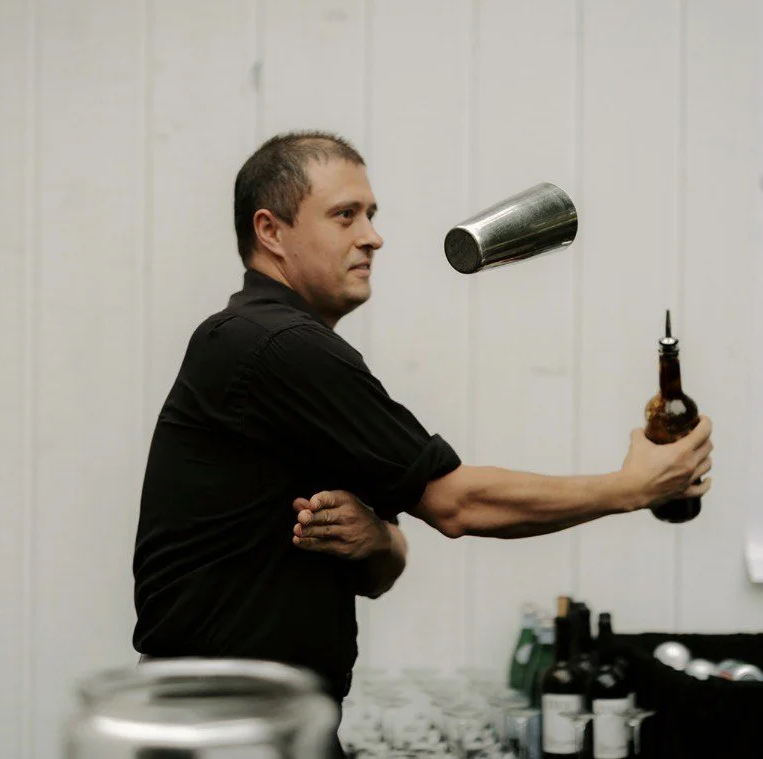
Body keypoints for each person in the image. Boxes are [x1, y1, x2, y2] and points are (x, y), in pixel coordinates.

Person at [131, 129, 712, 723]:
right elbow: (458, 505)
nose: (373, 237)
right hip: (226, 729)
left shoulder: (285, 354)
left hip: (273, 722)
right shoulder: (277, 346)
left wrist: (377, 538)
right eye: (345, 216)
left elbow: (386, 566)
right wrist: (633, 488)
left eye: (372, 215)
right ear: (271, 231)